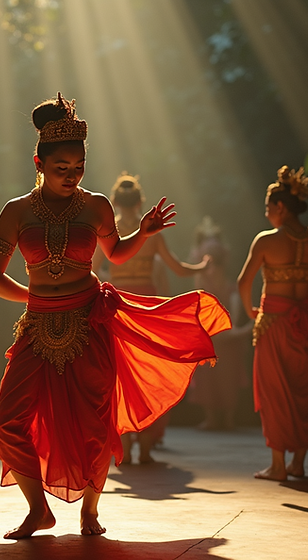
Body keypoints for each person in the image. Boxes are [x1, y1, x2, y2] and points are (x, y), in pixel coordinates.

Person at [0, 93, 231, 539]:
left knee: (95, 422)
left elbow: (114, 252)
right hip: (37, 329)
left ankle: (90, 510)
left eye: (78, 168)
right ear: (39, 162)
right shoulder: (15, 212)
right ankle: (38, 510)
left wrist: (142, 233)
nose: (71, 176)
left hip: (91, 322)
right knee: (8, 422)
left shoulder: (96, 206)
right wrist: (35, 300)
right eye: (61, 168)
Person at [92, 172, 208, 464]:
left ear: (115, 201)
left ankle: (126, 450)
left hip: (118, 305)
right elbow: (178, 269)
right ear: (140, 200)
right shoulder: (151, 233)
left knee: (121, 376)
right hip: (146, 304)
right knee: (148, 373)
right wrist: (202, 266)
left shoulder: (108, 230)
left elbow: (91, 268)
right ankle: (144, 449)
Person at [237, 165, 308, 481]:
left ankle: (278, 465)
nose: (267, 213)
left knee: (275, 392)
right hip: (305, 324)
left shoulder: (266, 241)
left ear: (280, 207)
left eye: (268, 207)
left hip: (273, 324)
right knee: (303, 390)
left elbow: (243, 281)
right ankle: (299, 463)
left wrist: (251, 310)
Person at [186, 217, 252, 432]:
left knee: (229, 375)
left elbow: (232, 315)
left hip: (225, 336)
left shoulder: (230, 289)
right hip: (210, 336)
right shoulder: (202, 283)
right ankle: (212, 418)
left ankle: (229, 419)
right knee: (207, 376)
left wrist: (233, 331)